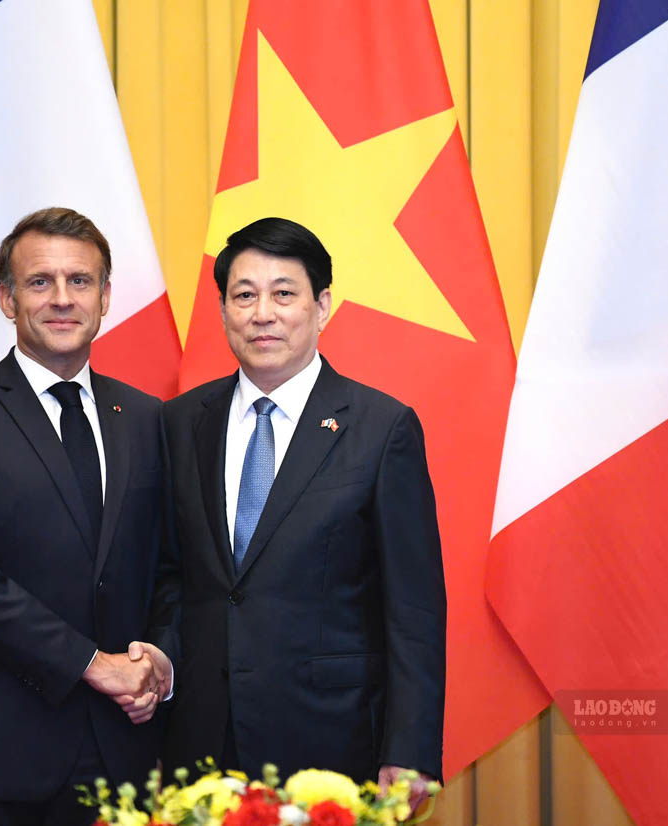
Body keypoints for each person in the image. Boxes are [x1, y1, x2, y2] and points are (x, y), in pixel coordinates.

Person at [145, 216, 446, 810]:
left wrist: (409, 748)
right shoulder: (179, 424)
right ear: (224, 309)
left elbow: (412, 606)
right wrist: (162, 661)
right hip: (201, 742)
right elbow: (170, 576)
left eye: (284, 293)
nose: (263, 313)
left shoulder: (382, 428)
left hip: (333, 740)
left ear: (322, 305)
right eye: (244, 295)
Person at [0, 207, 169, 826]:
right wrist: (92, 664)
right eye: (39, 281)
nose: (62, 299)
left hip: (119, 751)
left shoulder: (150, 418)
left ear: (105, 298)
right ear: (7, 298)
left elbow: (172, 566)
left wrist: (159, 661)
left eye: (80, 281)